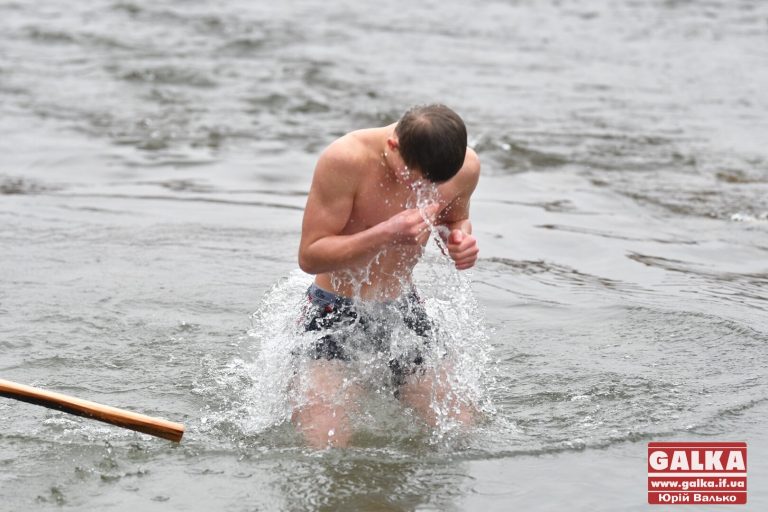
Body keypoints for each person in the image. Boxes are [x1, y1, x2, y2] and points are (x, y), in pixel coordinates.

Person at [294, 104, 480, 448]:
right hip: (333, 310)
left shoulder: (465, 166)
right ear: (393, 146)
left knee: (460, 433)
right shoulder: (345, 159)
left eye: (433, 184)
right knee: (324, 447)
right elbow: (310, 255)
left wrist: (459, 239)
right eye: (415, 177)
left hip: (403, 310)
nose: (422, 189)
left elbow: (455, 218)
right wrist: (385, 233)